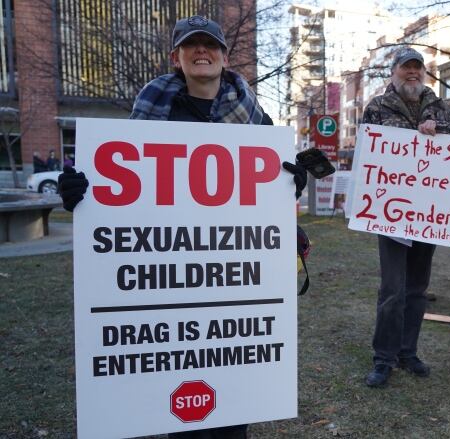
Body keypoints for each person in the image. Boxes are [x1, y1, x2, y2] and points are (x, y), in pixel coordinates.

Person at [58, 15, 306, 439]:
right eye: (191, 46)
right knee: (179, 410)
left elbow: (270, 198)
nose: (201, 52)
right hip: (171, 277)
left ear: (225, 57)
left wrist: (291, 186)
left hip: (232, 275)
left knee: (233, 400)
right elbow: (122, 200)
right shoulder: (150, 113)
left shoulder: (256, 123)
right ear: (177, 57)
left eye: (210, 45)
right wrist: (81, 193)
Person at [360, 47, 450, 388]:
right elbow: (368, 152)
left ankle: (407, 352)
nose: (412, 73)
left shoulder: (438, 105)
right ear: (393, 73)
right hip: (391, 215)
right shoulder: (377, 108)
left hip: (429, 214)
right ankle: (383, 358)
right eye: (405, 68)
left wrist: (438, 127)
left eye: (417, 68)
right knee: (392, 289)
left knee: (417, 289)